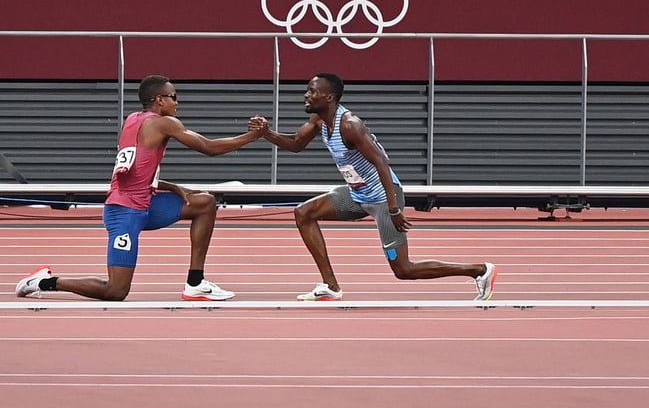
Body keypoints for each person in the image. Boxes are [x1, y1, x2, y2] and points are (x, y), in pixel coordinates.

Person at [16, 74, 266, 301]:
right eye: (174, 97)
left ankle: (195, 282)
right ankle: (44, 281)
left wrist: (177, 188)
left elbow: (138, 171)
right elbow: (208, 148)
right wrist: (253, 137)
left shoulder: (132, 120)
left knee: (204, 203)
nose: (178, 103)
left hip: (147, 202)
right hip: (124, 212)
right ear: (159, 100)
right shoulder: (164, 122)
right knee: (115, 291)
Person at [255, 72, 497, 301]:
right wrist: (266, 133)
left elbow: (382, 162)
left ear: (329, 97)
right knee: (304, 212)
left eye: (311, 91)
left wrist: (393, 209)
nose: (306, 95)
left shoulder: (350, 125)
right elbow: (296, 144)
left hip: (383, 197)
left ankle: (479, 270)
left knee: (403, 269)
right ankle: (331, 286)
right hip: (357, 194)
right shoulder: (318, 120)